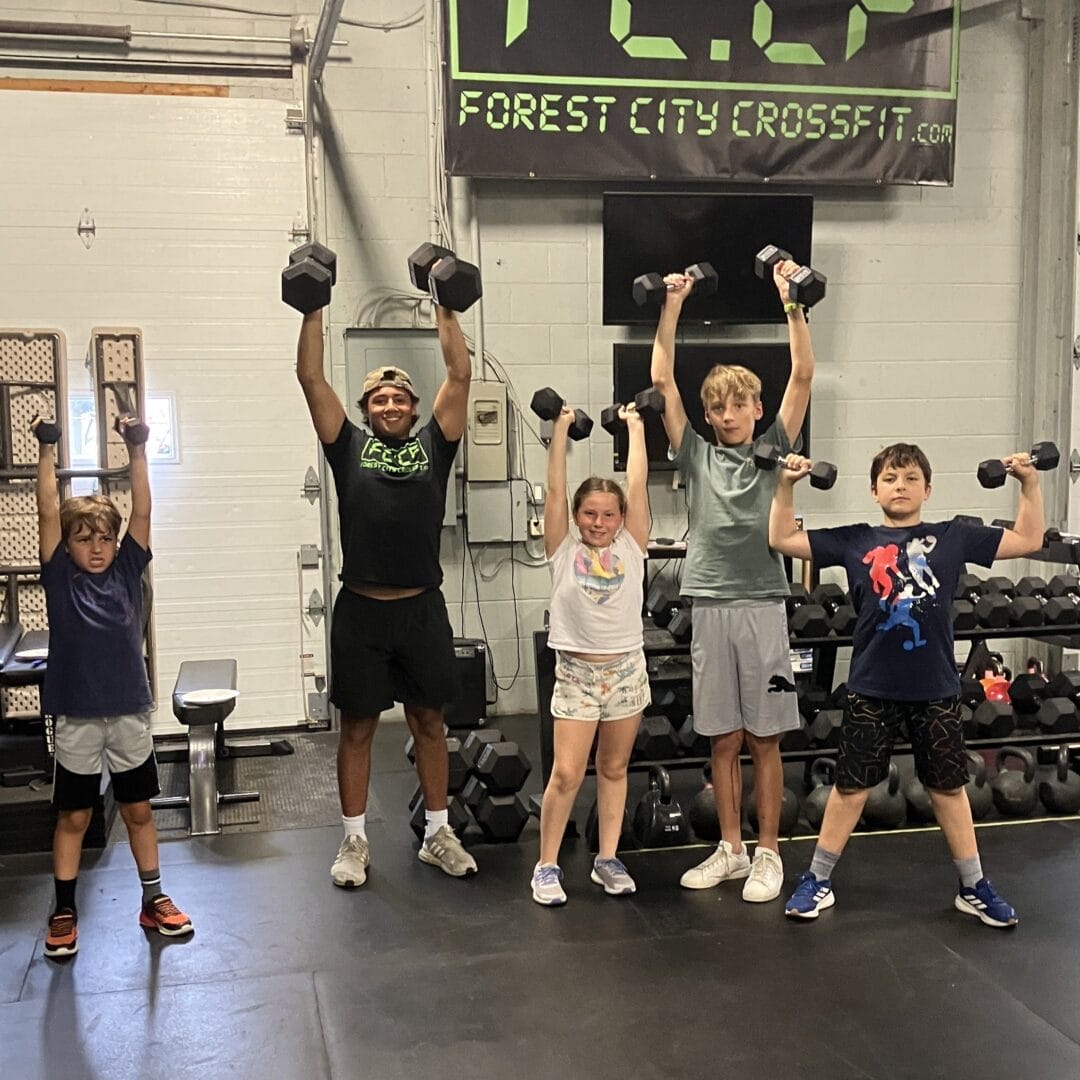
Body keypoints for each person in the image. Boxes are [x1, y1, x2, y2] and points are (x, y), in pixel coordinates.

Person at [769, 442, 1043, 927]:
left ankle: (974, 885)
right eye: (891, 479)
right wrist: (785, 486)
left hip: (935, 689)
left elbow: (1028, 540)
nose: (901, 486)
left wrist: (1029, 482)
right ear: (874, 491)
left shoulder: (954, 537)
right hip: (871, 688)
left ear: (928, 489)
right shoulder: (855, 539)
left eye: (911, 478)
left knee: (949, 790)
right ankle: (818, 879)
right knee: (851, 788)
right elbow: (781, 539)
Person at [295, 293, 477, 887]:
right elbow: (310, 375)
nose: (391, 404)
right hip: (362, 613)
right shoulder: (345, 446)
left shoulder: (434, 445)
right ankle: (354, 840)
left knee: (430, 723)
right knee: (357, 728)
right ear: (367, 409)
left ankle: (437, 833)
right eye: (380, 398)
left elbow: (460, 372)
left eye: (399, 398)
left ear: (413, 406)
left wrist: (447, 308)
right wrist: (312, 307)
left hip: (422, 609)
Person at [651, 262, 814, 903]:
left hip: (763, 604)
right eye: (717, 406)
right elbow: (662, 377)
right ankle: (730, 849)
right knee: (721, 736)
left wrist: (791, 302)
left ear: (757, 407)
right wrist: (673, 304)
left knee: (764, 736)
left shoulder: (775, 443)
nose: (728, 414)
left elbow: (802, 373)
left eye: (739, 403)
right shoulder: (695, 453)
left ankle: (770, 853)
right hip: (710, 602)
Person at [35, 414, 193, 960]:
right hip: (78, 717)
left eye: (105, 538)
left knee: (138, 812)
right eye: (85, 540)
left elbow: (143, 509)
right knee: (75, 816)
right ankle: (63, 910)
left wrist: (137, 450)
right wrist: (48, 452)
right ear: (69, 547)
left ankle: (154, 898)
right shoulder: (61, 579)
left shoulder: (127, 571)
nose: (97, 548)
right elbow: (47, 512)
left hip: (128, 713)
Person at [531, 404, 651, 906]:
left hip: (626, 670)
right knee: (565, 773)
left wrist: (637, 428)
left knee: (615, 769)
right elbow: (556, 488)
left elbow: (639, 484)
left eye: (608, 514)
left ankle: (607, 859)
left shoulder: (632, 545)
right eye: (590, 513)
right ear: (576, 517)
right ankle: (546, 866)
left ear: (621, 520)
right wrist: (559, 429)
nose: (599, 522)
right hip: (577, 674)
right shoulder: (561, 547)